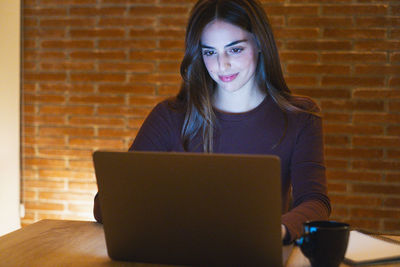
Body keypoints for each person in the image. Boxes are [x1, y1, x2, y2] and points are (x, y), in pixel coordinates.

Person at [93, 0, 331, 245]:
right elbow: (105, 205)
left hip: (254, 254)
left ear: (260, 44)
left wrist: (276, 231)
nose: (222, 64)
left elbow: (315, 202)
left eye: (235, 49)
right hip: (177, 254)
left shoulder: (300, 116)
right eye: (210, 52)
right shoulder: (170, 115)